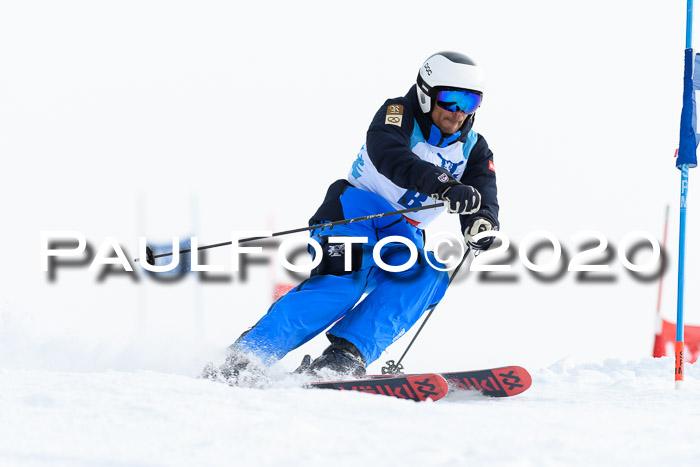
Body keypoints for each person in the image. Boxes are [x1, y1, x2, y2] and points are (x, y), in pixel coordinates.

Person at [212, 51, 499, 381]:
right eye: (450, 98)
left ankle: (344, 357)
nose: (459, 112)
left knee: (427, 276)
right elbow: (388, 154)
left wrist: (482, 221)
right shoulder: (398, 113)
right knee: (343, 284)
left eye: (471, 101)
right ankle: (245, 357)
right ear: (425, 92)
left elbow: (483, 192)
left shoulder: (474, 148)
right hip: (353, 215)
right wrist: (445, 185)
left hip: (403, 235)